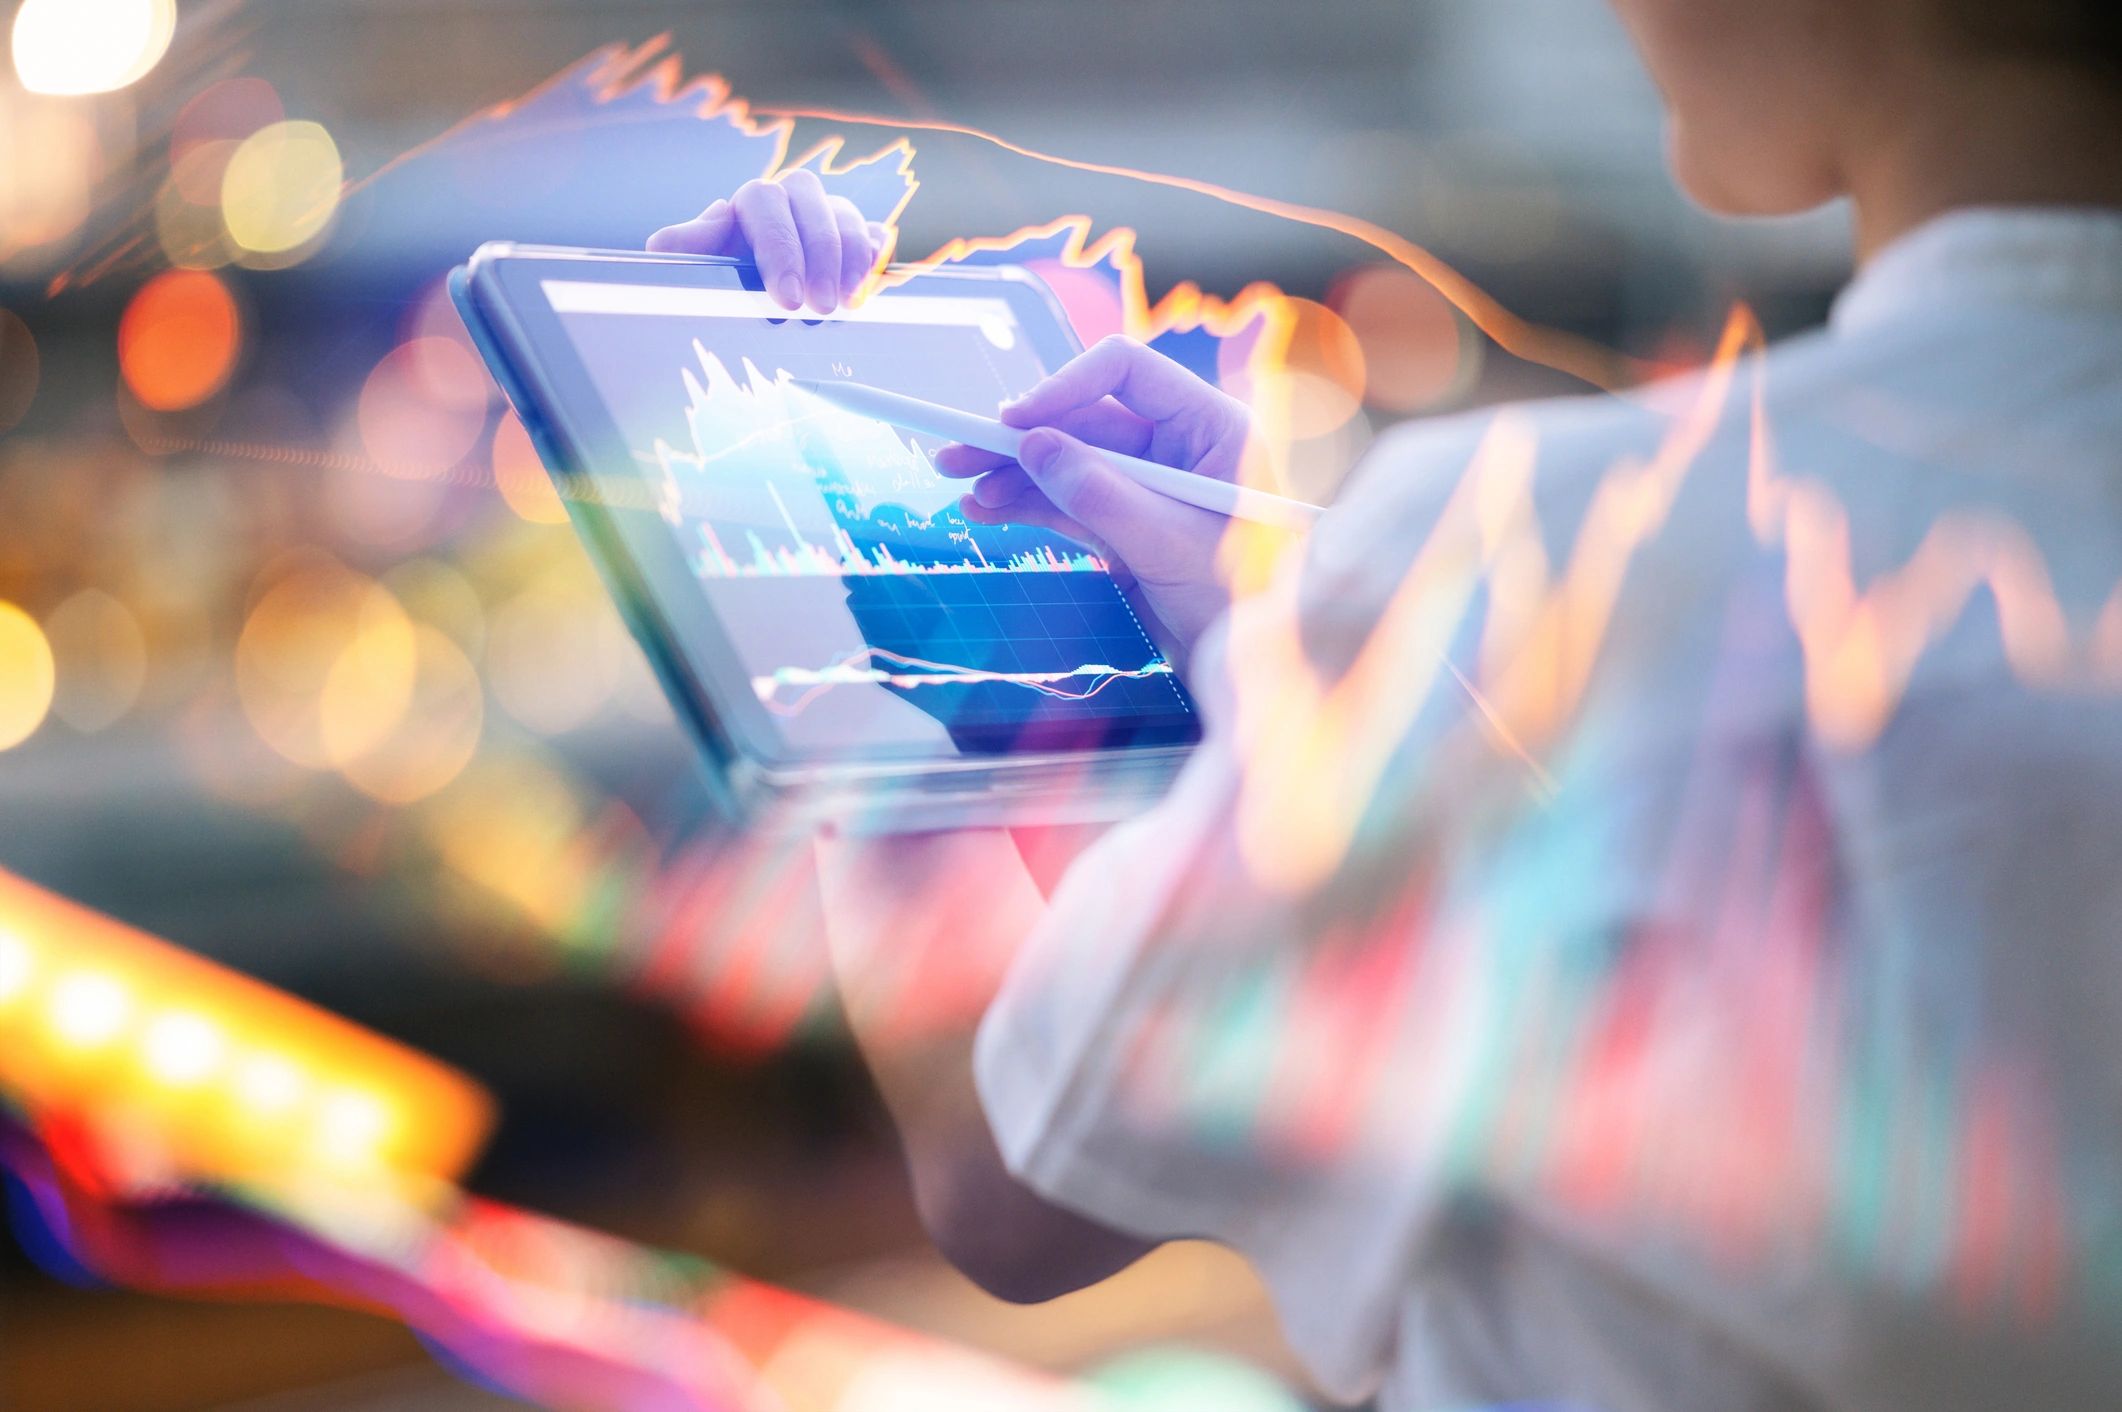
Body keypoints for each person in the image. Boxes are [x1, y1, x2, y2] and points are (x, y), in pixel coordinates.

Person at [648, 2, 2122, 1408]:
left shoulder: (1582, 557)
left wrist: (839, 618)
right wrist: (1298, 652)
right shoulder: (1624, 564)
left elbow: (1012, 1185)